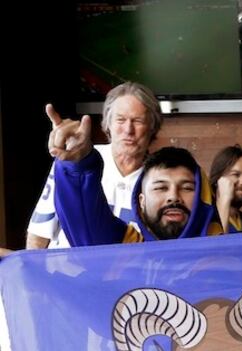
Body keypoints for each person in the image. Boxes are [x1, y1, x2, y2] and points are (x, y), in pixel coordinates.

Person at [48, 109, 220, 244]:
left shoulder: (225, 257)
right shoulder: (125, 252)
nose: (173, 197)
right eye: (161, 187)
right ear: (141, 201)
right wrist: (79, 166)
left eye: (187, 188)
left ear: (202, 198)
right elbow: (85, 221)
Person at [27, 82, 162, 249]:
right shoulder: (77, 161)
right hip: (62, 271)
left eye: (138, 121)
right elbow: (39, 232)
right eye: (120, 120)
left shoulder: (161, 177)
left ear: (152, 126)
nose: (128, 129)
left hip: (123, 272)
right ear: (108, 124)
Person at [210, 144, 242, 233]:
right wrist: (224, 201)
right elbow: (217, 246)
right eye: (236, 174)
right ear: (218, 179)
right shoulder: (205, 218)